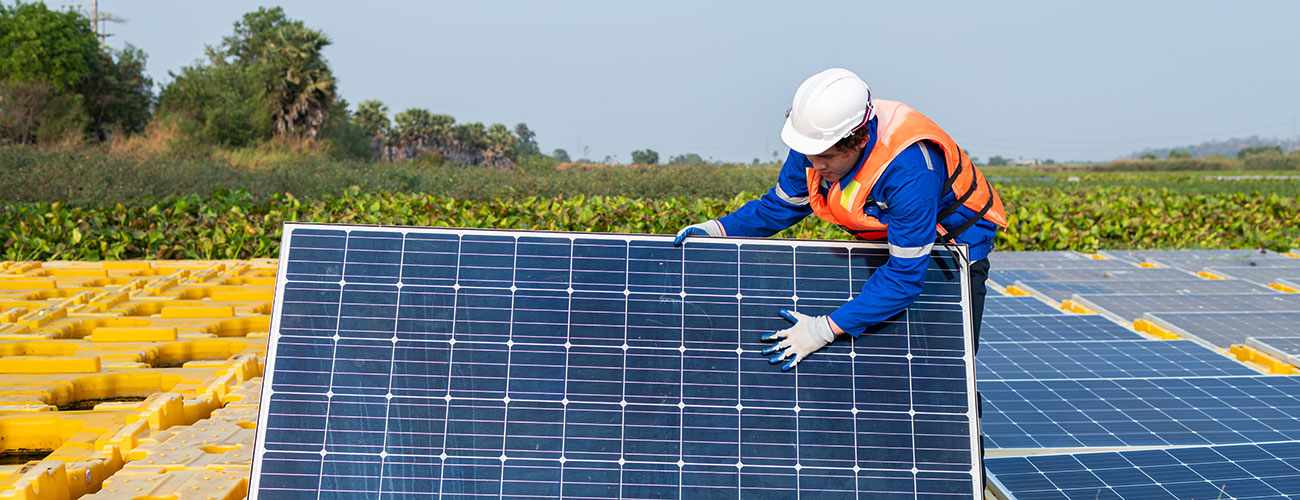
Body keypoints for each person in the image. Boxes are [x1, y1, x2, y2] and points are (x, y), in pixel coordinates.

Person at [673, 68, 1007, 371]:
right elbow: (780, 206)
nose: (816, 166)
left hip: (948, 252)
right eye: (810, 155)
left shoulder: (911, 172)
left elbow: (905, 278)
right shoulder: (814, 142)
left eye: (827, 158)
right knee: (868, 354)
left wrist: (823, 329)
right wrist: (717, 230)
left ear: (859, 140)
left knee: (934, 371)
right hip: (888, 244)